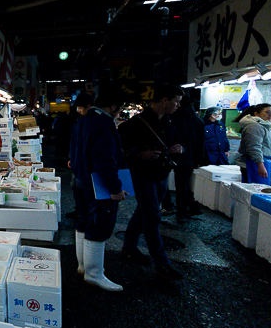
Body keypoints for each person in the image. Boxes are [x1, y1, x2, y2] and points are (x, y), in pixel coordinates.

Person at [119, 84, 184, 281]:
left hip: (162, 173)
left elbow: (179, 143)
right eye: (176, 101)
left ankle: (129, 248)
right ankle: (161, 263)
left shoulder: (170, 121)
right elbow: (121, 151)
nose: (178, 106)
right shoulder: (135, 123)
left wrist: (179, 149)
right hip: (142, 174)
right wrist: (140, 154)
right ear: (164, 100)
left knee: (144, 212)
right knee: (152, 216)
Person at [70, 87, 126, 292]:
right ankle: (94, 274)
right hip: (97, 182)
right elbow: (105, 158)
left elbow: (74, 151)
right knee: (99, 223)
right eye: (120, 108)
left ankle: (83, 265)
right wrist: (115, 187)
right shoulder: (104, 123)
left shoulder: (82, 120)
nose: (119, 112)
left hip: (80, 179)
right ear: (113, 106)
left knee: (83, 220)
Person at [169, 93, 205, 222]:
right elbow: (200, 143)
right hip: (190, 158)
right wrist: (198, 160)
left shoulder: (175, 118)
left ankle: (180, 209)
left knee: (180, 184)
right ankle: (185, 209)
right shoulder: (197, 120)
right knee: (185, 184)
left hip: (176, 156)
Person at [234, 103, 271, 184]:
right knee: (255, 191)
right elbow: (254, 147)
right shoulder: (254, 126)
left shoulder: (264, 125)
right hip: (254, 163)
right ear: (256, 113)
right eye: (267, 112)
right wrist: (260, 165)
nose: (270, 115)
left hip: (262, 161)